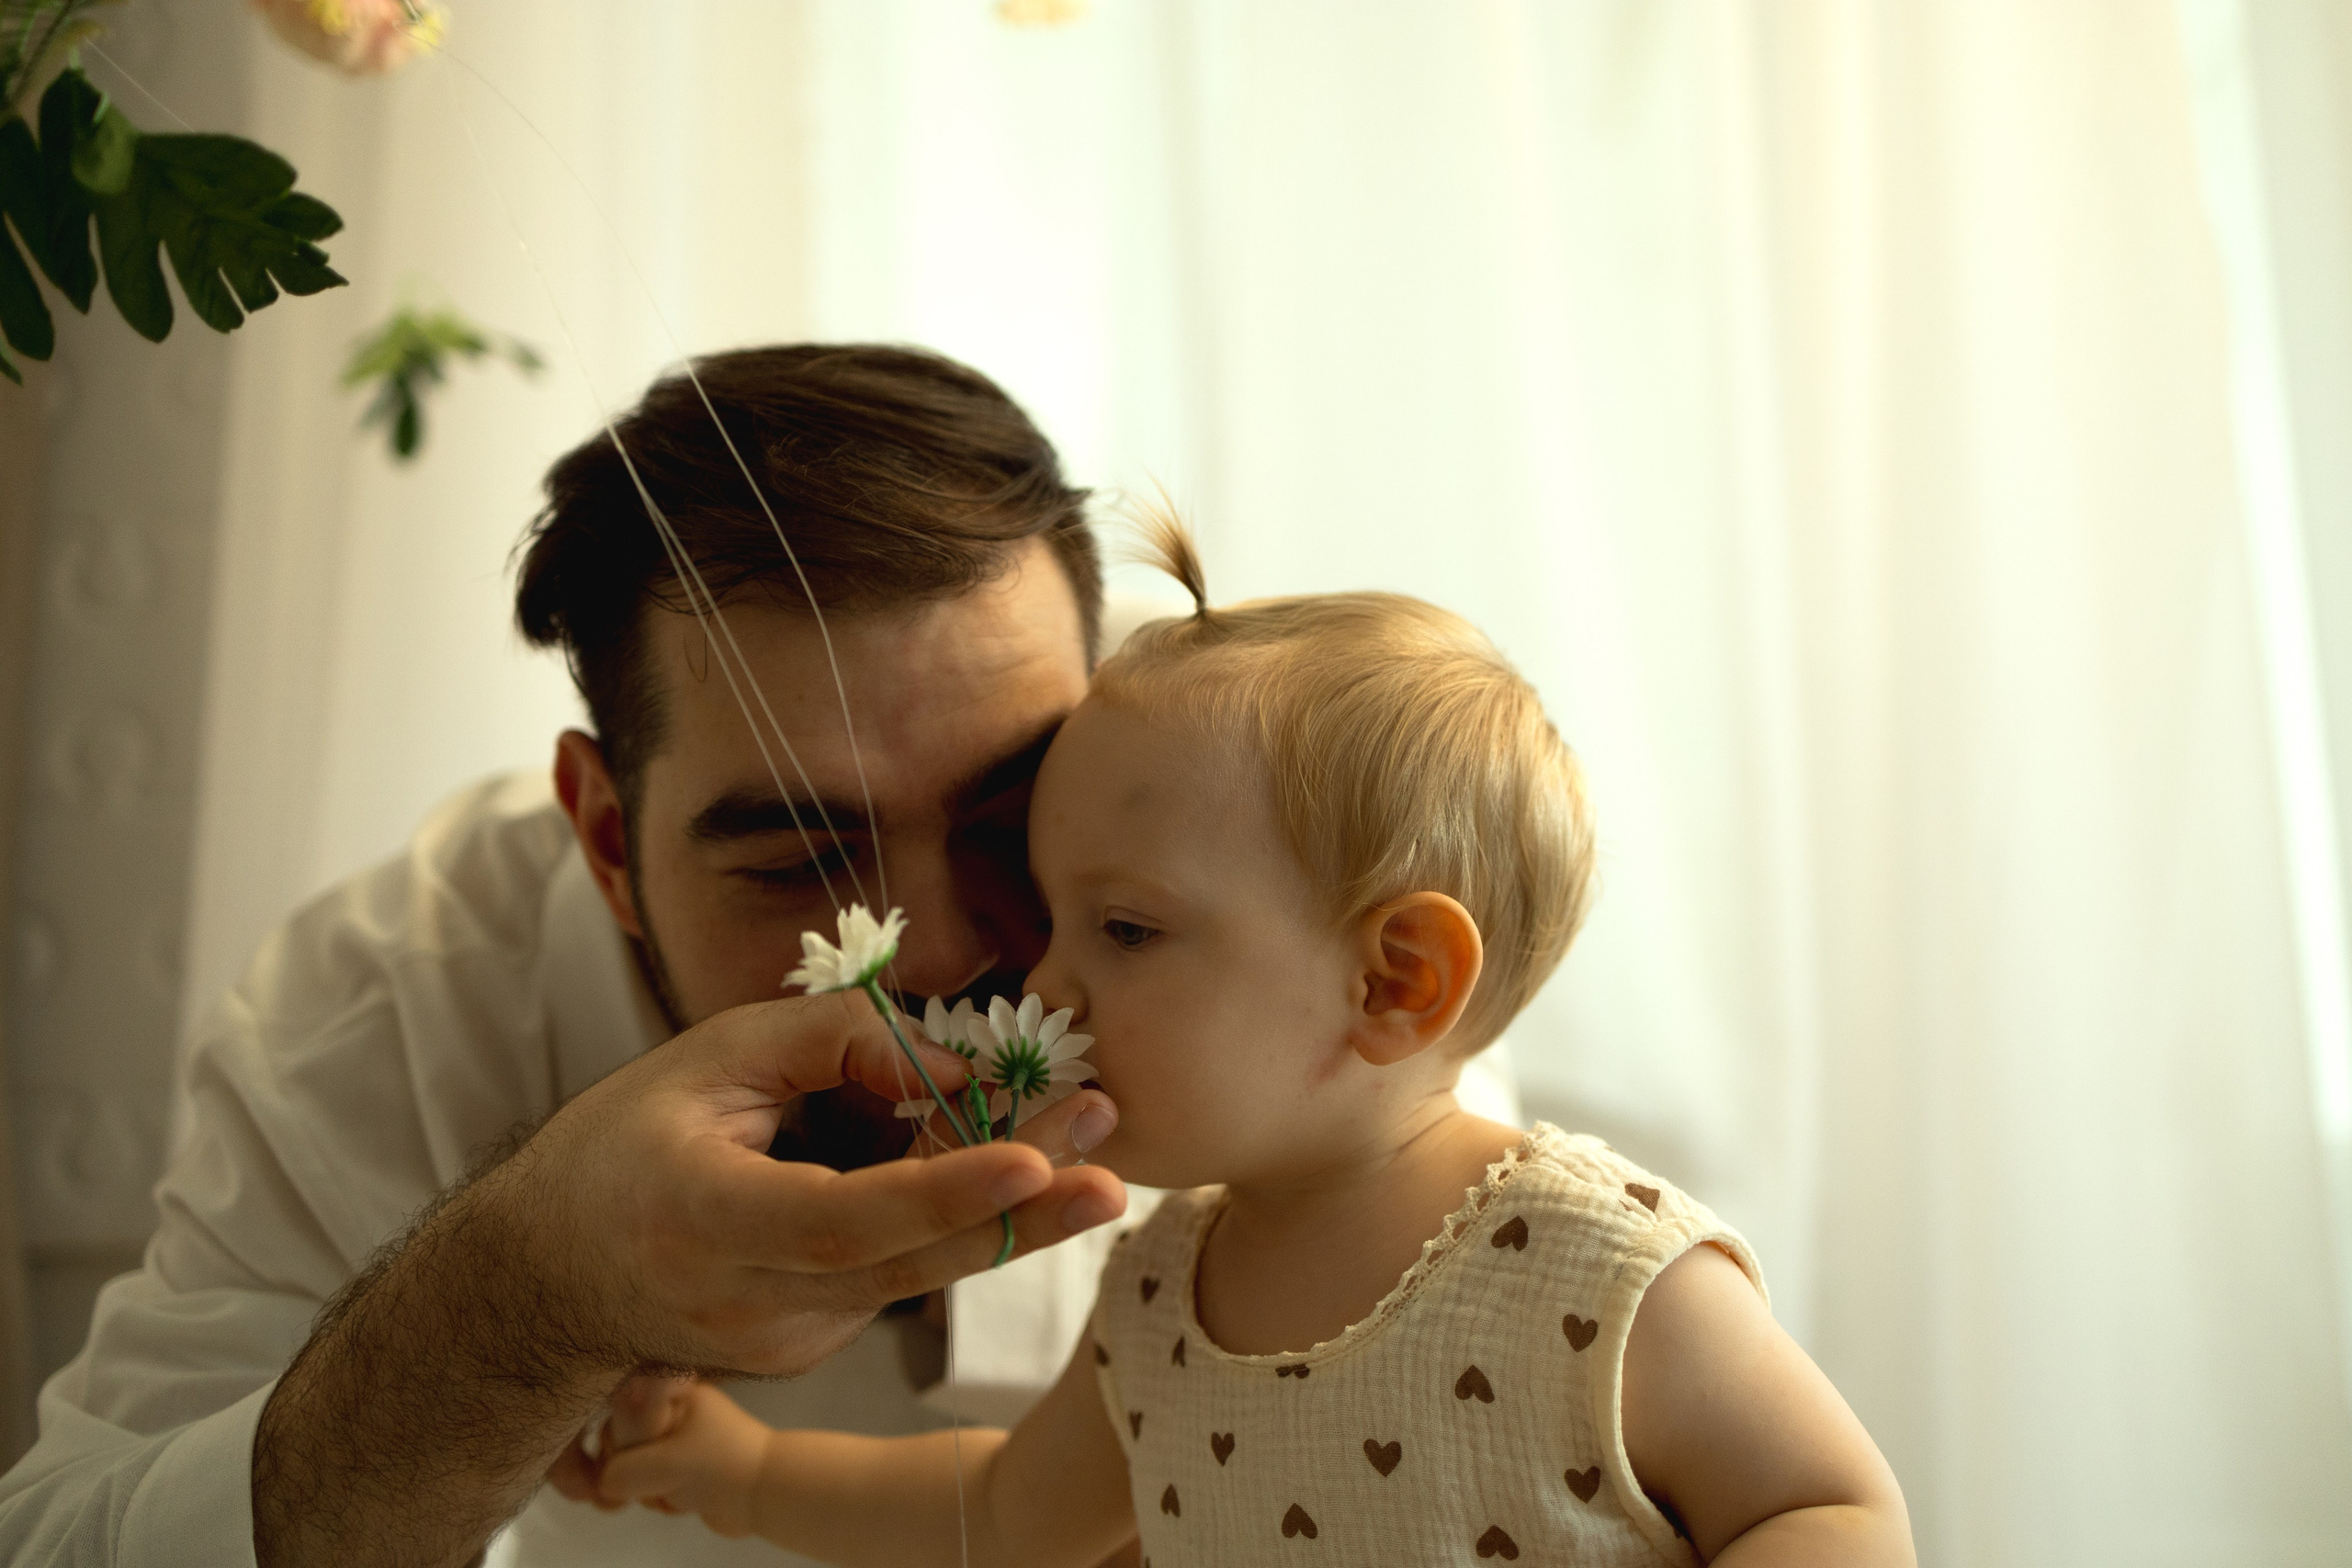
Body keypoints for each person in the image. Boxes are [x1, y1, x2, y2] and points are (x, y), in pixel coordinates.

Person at [0, 345, 1144, 1568]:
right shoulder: (387, 1014)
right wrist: (528, 1300)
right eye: (799, 856)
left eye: (1010, 822)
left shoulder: (1257, 882)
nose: (949, 948)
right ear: (607, 837)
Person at [585, 521, 1918, 1566]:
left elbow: (1834, 1510)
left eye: (1123, 928)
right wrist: (743, 1475)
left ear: (1394, 981)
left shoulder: (1596, 1269)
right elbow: (999, 1518)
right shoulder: (1158, 1300)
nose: (1040, 979)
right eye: (1054, 919)